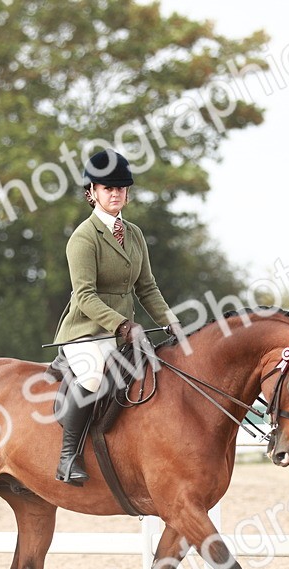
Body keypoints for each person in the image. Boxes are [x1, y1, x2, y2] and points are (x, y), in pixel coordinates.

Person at [52, 150, 178, 486]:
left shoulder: (134, 234)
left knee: (161, 371)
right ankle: (68, 458)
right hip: (87, 332)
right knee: (93, 378)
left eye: (121, 188)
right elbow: (85, 296)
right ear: (91, 192)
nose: (115, 193)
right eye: (108, 188)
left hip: (125, 334)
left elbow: (146, 287)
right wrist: (122, 324)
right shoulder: (83, 237)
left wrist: (171, 321)